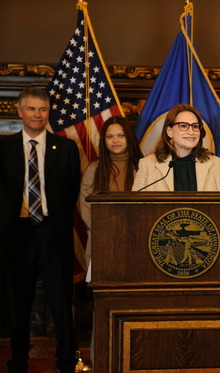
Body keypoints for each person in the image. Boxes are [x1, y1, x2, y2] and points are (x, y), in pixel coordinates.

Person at [0, 87, 81, 373]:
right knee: (18, 302)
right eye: (31, 109)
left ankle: (67, 361)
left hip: (53, 233)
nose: (37, 114)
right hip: (17, 236)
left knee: (61, 301)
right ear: (20, 112)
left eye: (42, 109)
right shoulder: (3, 148)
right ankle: (18, 361)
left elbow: (72, 192)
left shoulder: (67, 147)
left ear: (49, 113)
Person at [80, 116, 143, 269]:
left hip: (137, 240)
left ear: (129, 137)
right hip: (103, 240)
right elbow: (85, 208)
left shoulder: (143, 167)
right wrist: (107, 230)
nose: (115, 140)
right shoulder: (94, 169)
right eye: (110, 136)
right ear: (104, 140)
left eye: (121, 135)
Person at [132, 104, 220, 191]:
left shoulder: (217, 165)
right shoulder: (148, 165)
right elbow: (137, 206)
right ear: (169, 131)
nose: (191, 132)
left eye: (195, 126)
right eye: (183, 126)